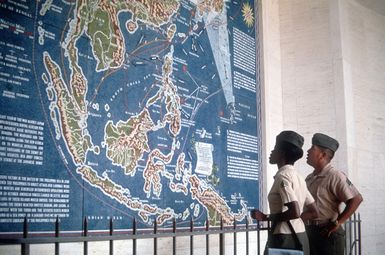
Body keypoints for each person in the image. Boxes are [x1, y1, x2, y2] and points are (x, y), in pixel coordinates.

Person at [251, 131, 318, 255]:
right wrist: (296, 221)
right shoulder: (298, 177)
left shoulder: (282, 176)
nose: (271, 152)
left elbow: (295, 211)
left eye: (275, 149)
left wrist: (266, 217)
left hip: (285, 238)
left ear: (282, 153)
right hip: (300, 235)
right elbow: (314, 212)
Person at [304, 133, 363, 255]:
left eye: (312, 148)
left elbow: (356, 199)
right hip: (310, 232)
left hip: (327, 234)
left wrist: (337, 223)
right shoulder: (310, 178)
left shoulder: (335, 176)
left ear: (323, 155)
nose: (308, 151)